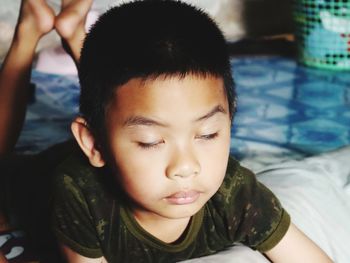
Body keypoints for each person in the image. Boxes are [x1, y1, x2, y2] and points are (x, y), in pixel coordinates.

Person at [0, 1, 332, 263]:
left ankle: (75, 34)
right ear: (93, 145)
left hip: (109, 134)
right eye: (151, 142)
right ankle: (28, 31)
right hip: (31, 181)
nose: (186, 167)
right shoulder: (81, 195)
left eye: (207, 135)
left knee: (119, 100)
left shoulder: (236, 194)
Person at [0, 0, 92, 262]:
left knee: (133, 137)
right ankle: (71, 35)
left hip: (44, 190)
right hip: (47, 193)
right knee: (132, 138)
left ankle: (39, 30)